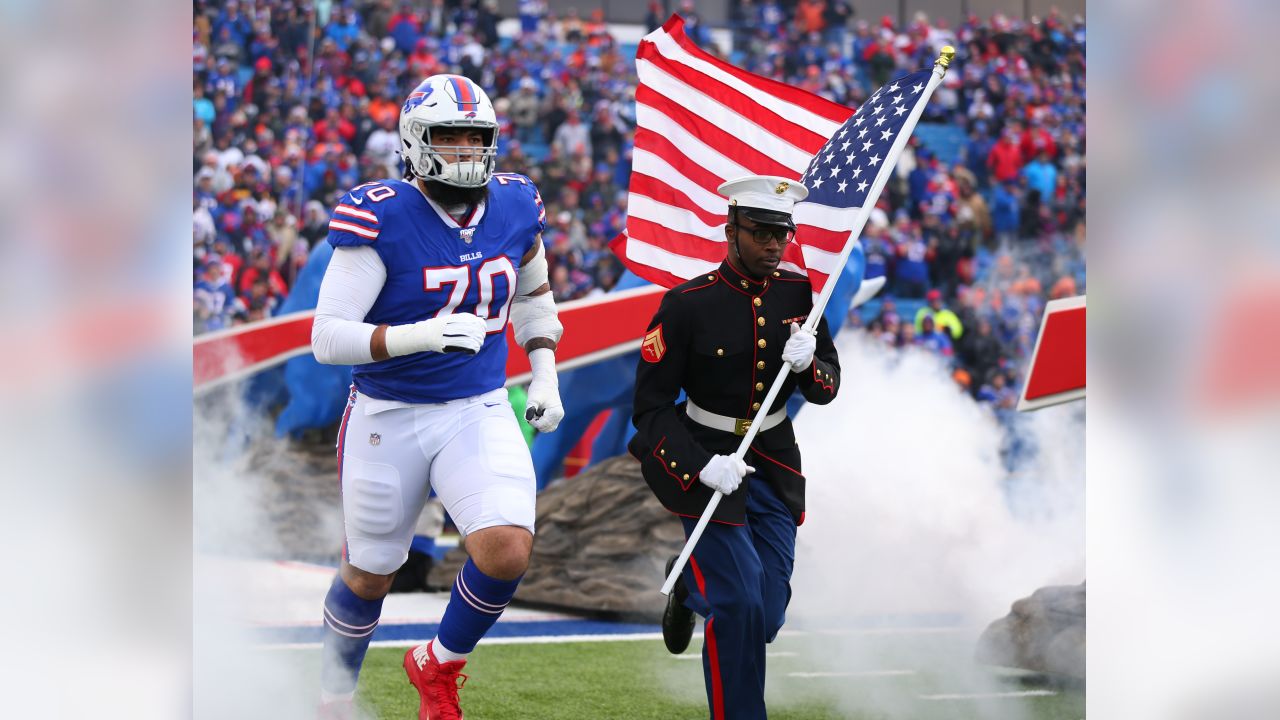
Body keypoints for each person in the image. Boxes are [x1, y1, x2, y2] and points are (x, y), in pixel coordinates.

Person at [310, 73, 566, 720]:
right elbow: (327, 338)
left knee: (506, 547)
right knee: (371, 572)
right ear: (415, 141)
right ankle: (332, 697)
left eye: (474, 137)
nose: (463, 151)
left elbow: (534, 296)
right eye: (448, 137)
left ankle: (438, 664)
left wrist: (545, 373)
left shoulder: (515, 204)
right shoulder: (382, 213)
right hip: (387, 413)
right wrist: (417, 335)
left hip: (475, 406)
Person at [629, 176, 841, 720]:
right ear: (731, 231)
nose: (774, 245)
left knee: (766, 614)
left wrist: (808, 365)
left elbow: (828, 387)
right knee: (739, 603)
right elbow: (650, 408)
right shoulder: (686, 304)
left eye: (782, 235)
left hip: (771, 459)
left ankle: (690, 585)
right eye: (762, 233)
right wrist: (699, 468)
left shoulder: (799, 295)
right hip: (705, 457)